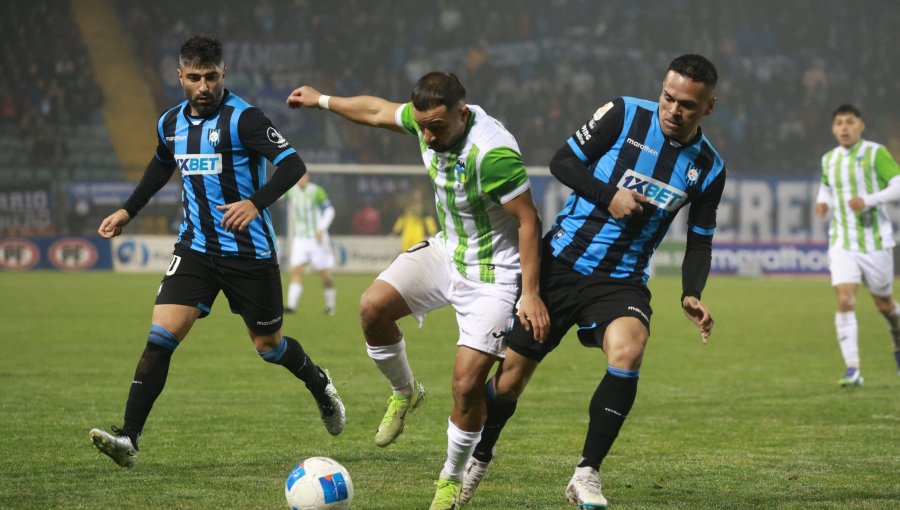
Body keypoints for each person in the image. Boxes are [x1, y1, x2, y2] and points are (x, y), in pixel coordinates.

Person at [458, 54, 725, 509]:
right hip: (558, 264)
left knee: (630, 347)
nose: (673, 110)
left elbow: (699, 241)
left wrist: (691, 292)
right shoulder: (622, 114)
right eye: (668, 97)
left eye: (687, 105)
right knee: (509, 383)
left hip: (620, 282)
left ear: (708, 108)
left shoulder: (710, 168)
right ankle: (480, 454)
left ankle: (586, 473)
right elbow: (561, 162)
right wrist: (609, 195)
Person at [287, 72, 549, 509]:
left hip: (494, 274)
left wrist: (532, 292)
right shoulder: (429, 119)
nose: (426, 136)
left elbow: (529, 221)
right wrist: (321, 100)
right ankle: (406, 392)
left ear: (462, 115)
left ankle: (449, 480)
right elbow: (375, 111)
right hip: (448, 252)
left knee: (466, 388)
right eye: (422, 126)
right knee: (372, 307)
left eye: (436, 128)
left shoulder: (493, 154)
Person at [89, 35, 345, 469]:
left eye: (210, 77)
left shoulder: (245, 120)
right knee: (160, 337)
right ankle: (129, 437)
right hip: (195, 249)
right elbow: (160, 164)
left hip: (249, 253)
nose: (203, 86)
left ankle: (319, 383)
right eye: (194, 78)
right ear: (180, 77)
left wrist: (254, 202)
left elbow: (294, 165)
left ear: (223, 73)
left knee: (269, 346)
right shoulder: (170, 122)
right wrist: (128, 210)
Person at [814, 104, 900, 387]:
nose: (844, 127)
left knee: (884, 304)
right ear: (832, 128)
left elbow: (898, 185)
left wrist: (869, 200)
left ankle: (897, 339)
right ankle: (853, 369)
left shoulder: (876, 153)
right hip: (842, 241)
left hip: (876, 241)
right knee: (844, 299)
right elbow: (826, 185)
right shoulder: (829, 159)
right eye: (839, 123)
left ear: (860, 126)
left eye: (850, 122)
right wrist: (822, 201)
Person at [284, 172, 337, 316]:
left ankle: (330, 306)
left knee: (325, 275)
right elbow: (277, 196)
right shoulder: (291, 191)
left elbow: (330, 210)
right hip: (300, 239)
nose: (301, 180)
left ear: (308, 178)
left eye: (303, 177)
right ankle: (291, 306)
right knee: (296, 271)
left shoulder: (316, 191)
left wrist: (321, 228)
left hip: (316, 239)